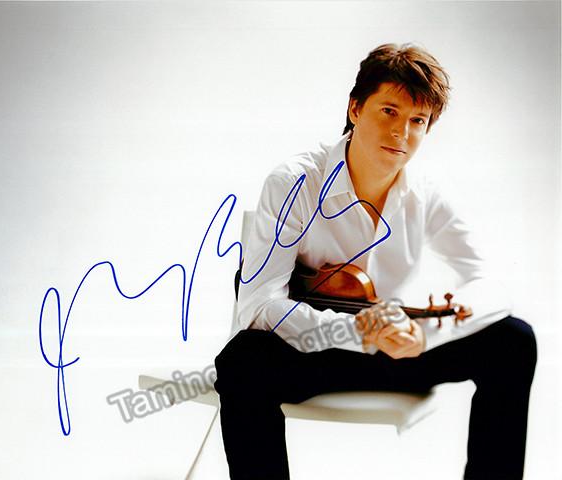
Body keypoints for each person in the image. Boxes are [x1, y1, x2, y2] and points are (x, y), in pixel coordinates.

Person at [214, 43, 537, 479]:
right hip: (318, 349)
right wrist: (358, 333)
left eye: (417, 121)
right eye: (389, 111)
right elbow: (257, 306)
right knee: (243, 362)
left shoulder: (428, 191)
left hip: (398, 352)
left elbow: (494, 285)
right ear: (355, 108)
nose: (401, 132)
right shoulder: (295, 182)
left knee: (514, 340)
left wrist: (424, 336)